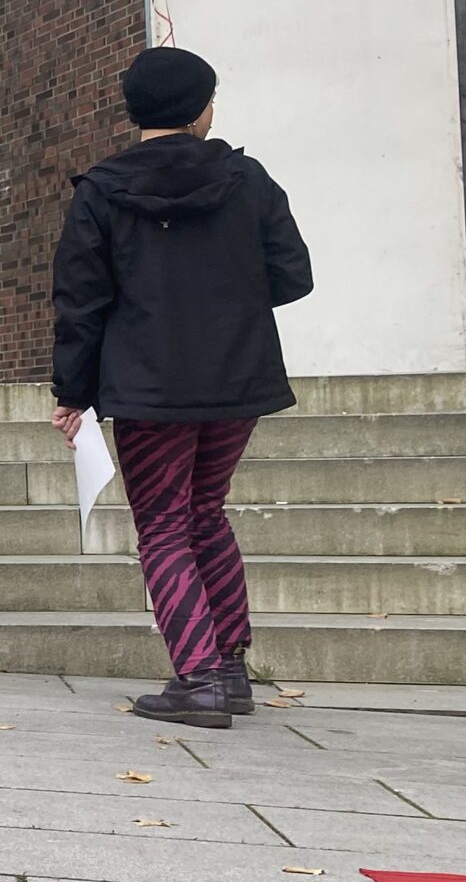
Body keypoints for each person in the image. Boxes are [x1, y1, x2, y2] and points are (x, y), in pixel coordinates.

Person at [51, 46, 313, 730]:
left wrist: (71, 392)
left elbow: (81, 301)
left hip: (147, 385)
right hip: (236, 377)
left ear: (133, 110)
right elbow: (292, 274)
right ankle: (228, 669)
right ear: (203, 109)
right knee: (206, 512)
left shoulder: (101, 192)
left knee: (164, 524)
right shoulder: (246, 179)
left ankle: (195, 678)